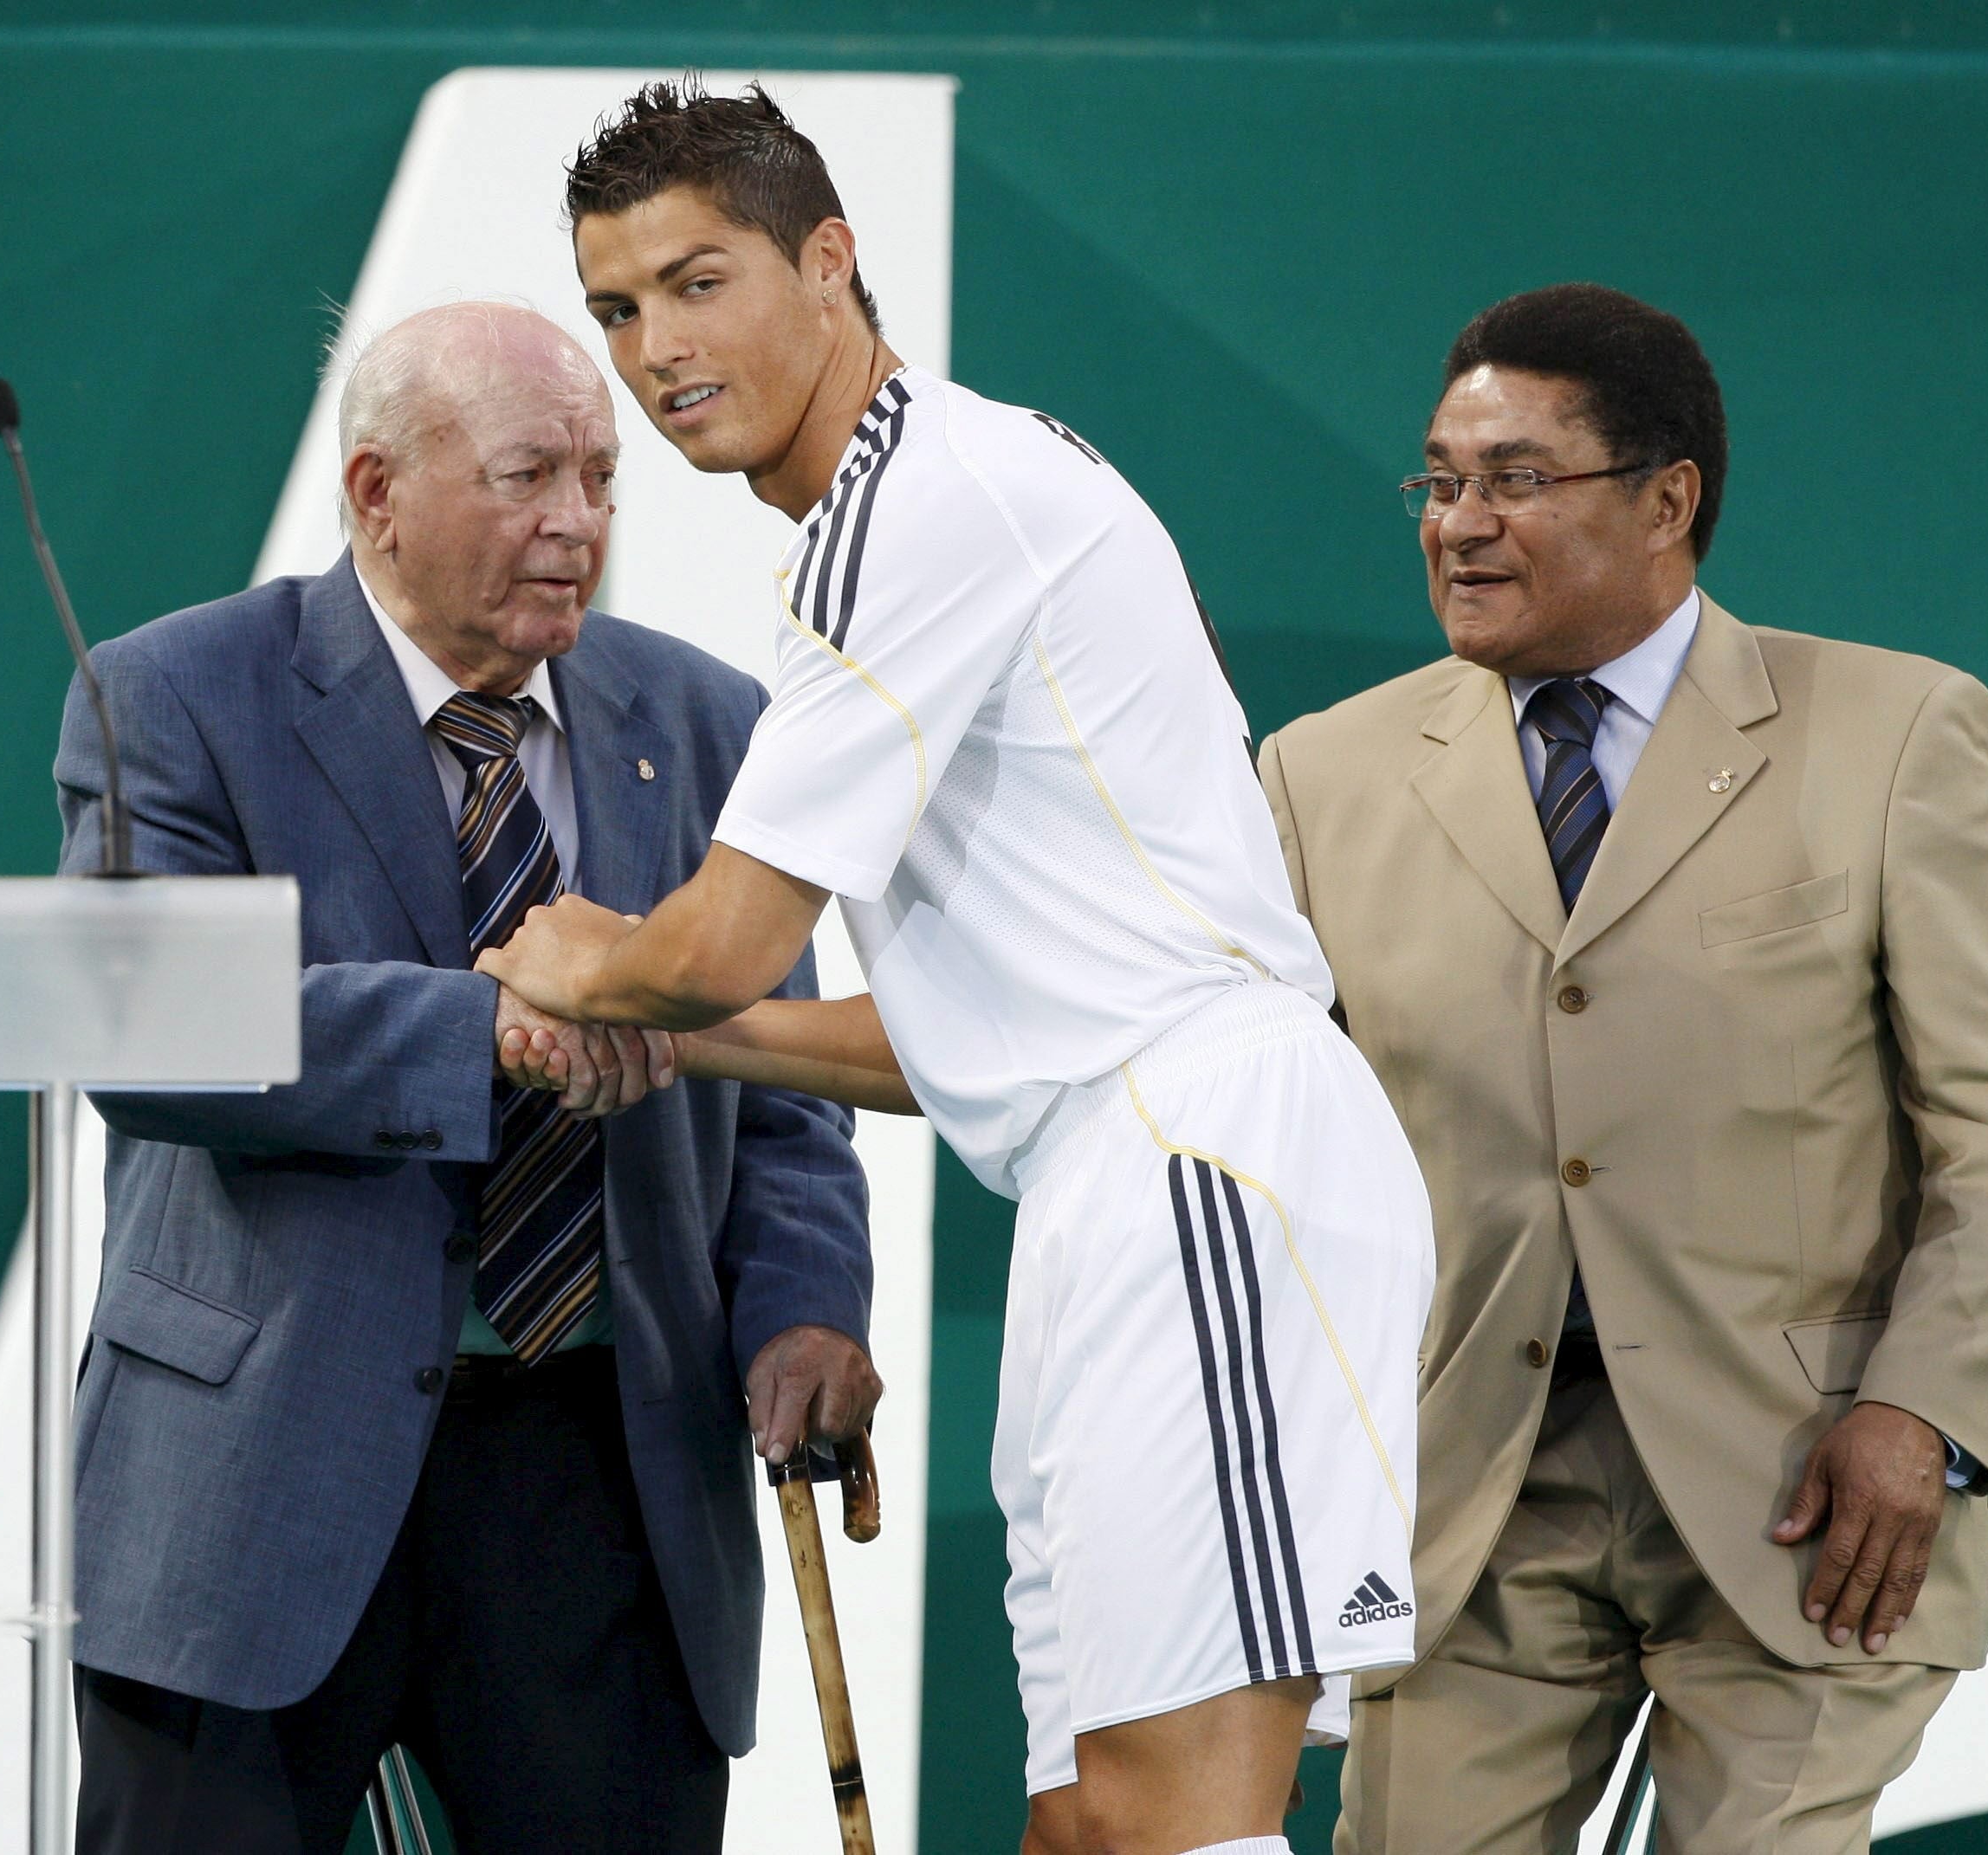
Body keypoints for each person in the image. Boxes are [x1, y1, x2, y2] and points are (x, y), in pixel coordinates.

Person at [482, 81, 1434, 1855]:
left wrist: (562, 960)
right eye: (618, 309)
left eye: (699, 284)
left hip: (1205, 1169)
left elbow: (717, 945)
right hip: (1113, 1168)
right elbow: (951, 1047)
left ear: (830, 261)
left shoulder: (916, 509)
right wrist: (681, 1041)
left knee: (1172, 1818)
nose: (656, 348)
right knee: (1084, 1823)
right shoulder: (933, 498)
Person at [54, 301, 878, 1855]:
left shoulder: (711, 722)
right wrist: (482, 1029)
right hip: (255, 1482)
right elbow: (149, 1024)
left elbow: (782, 1098)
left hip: (602, 1478)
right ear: (376, 491)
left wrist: (804, 1304)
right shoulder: (168, 697)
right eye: (525, 477)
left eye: (599, 477)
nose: (577, 522)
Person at [1255, 282, 1988, 1852]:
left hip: (1816, 1498)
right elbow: (1267, 1141)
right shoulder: (1319, 773)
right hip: (1470, 1495)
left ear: (1666, 501)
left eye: (1513, 479)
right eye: (1437, 480)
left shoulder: (1897, 732)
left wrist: (1919, 1413)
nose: (1456, 524)